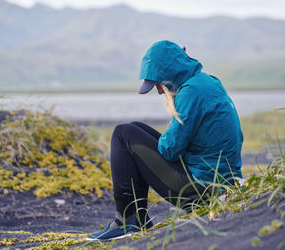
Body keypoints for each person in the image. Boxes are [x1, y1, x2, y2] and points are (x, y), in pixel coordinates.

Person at [87, 40, 243, 241]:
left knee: (122, 133)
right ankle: (138, 219)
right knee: (136, 128)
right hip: (219, 183)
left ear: (170, 74)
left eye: (158, 84)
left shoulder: (190, 92)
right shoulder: (206, 82)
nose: (159, 91)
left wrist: (169, 130)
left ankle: (127, 221)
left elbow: (170, 149)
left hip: (203, 191)